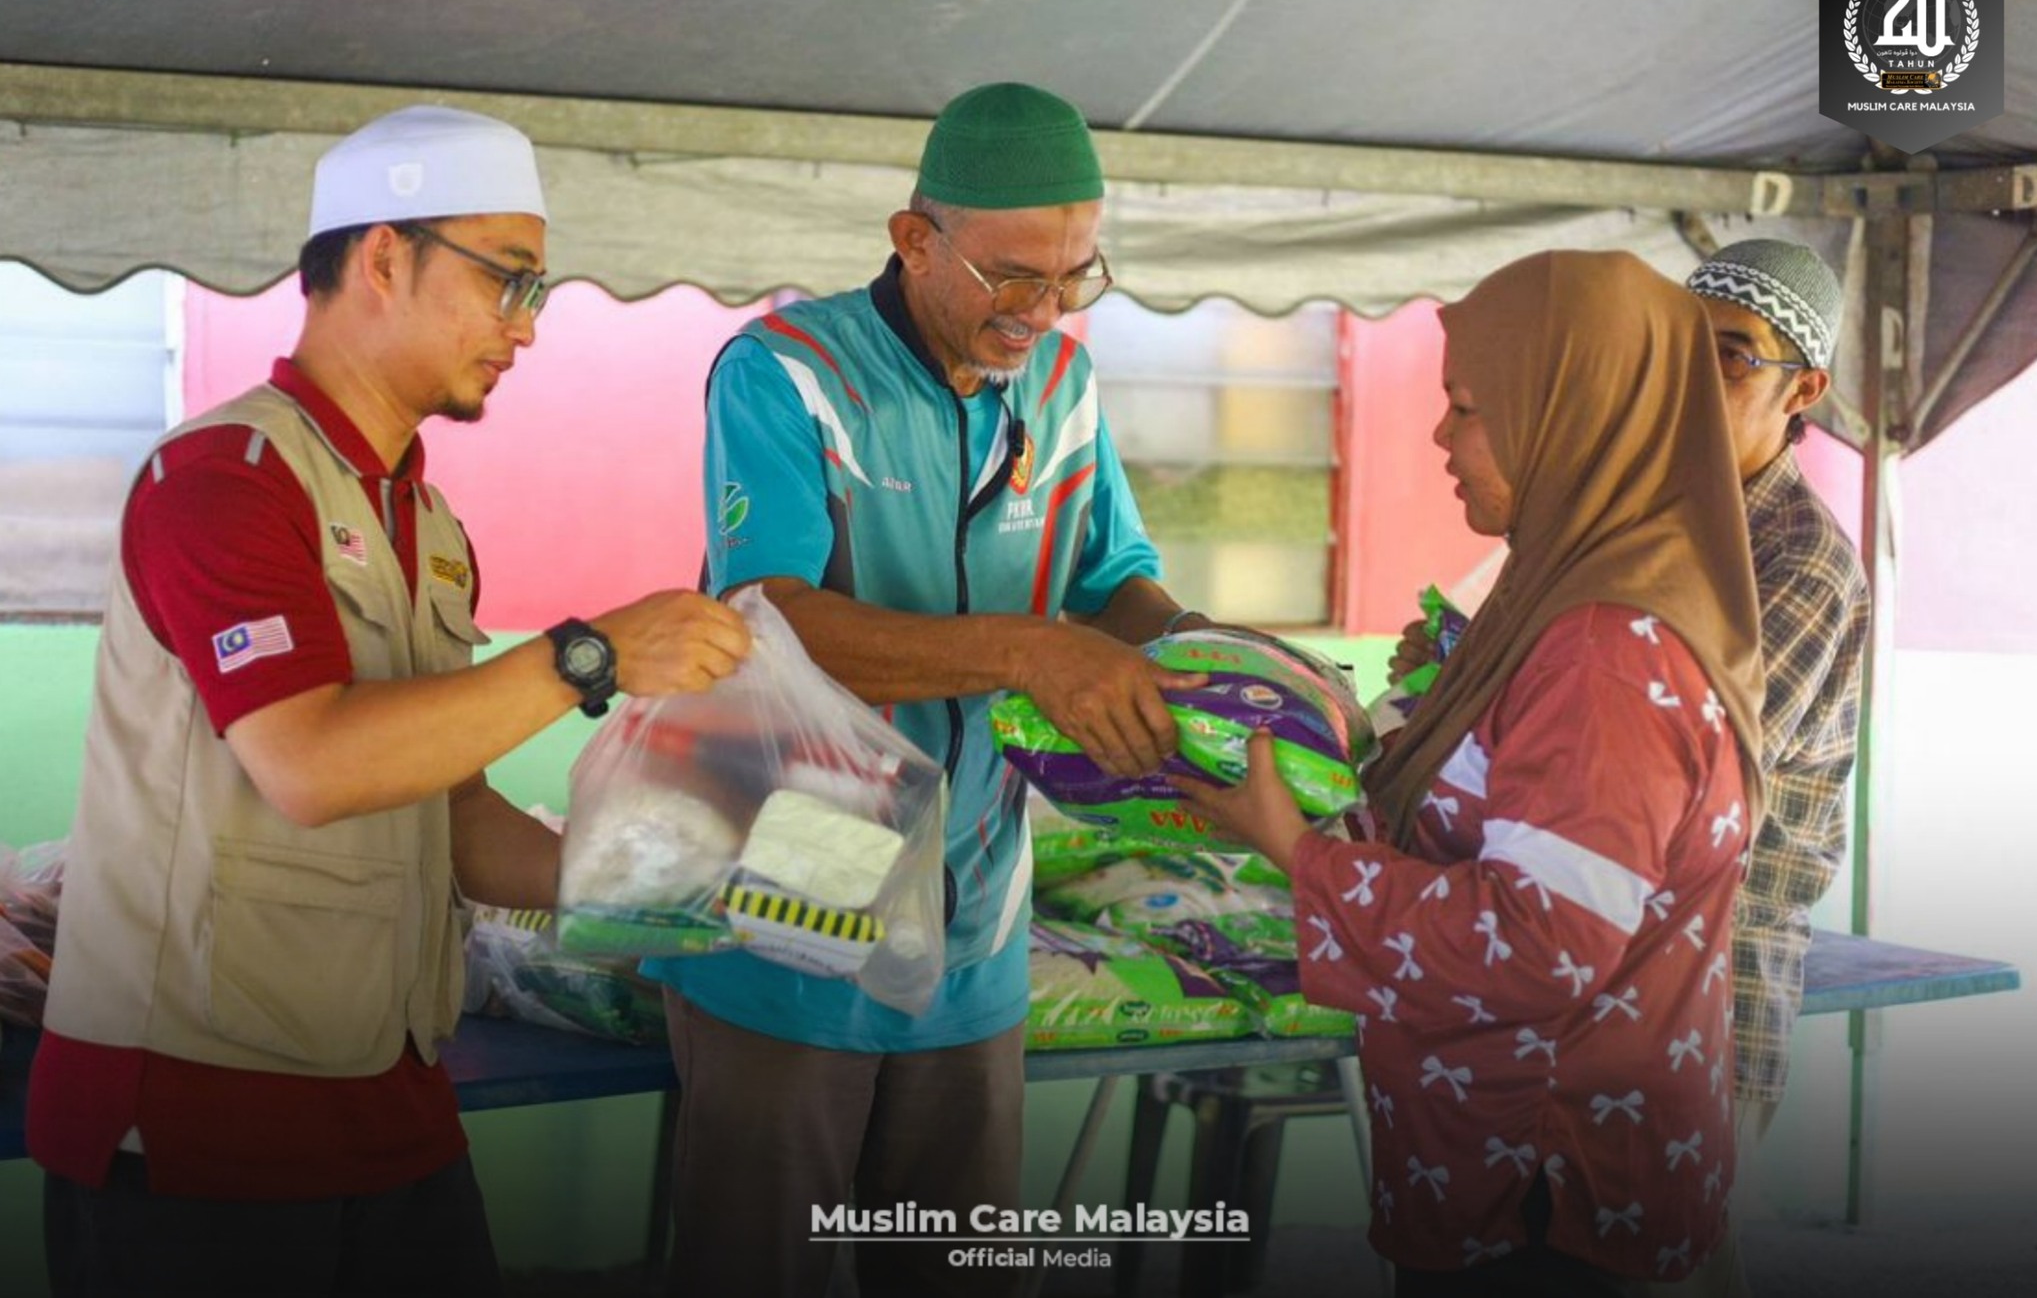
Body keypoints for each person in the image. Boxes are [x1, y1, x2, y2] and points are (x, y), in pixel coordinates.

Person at [29, 104, 751, 1296]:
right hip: (200, 1122)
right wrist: (589, 658)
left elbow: (450, 813)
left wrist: (668, 884)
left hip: (388, 1099)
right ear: (380, 257)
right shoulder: (222, 481)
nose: (526, 326)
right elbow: (313, 765)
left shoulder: (428, 525)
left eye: (535, 289)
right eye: (507, 279)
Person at [642, 82, 1205, 1298]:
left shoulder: (1061, 385)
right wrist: (1024, 651)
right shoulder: (784, 373)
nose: (1043, 313)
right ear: (914, 240)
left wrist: (1218, 658)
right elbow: (768, 617)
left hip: (976, 915)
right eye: (1014, 278)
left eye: (1073, 278)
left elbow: (1115, 580)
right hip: (791, 898)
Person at [1176, 250, 1765, 1293]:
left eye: (1468, 408)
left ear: (1569, 416)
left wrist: (1294, 850)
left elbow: (1538, 943)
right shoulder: (1569, 592)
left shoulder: (1603, 653)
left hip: (1549, 1192)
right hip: (1520, 1158)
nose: (1440, 437)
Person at [1677, 238, 1871, 1294]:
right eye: (1672, 349)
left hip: (1713, 980)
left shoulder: (1799, 558)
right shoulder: (1644, 519)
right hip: (1596, 965)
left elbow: (1694, 770)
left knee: (1667, 1267)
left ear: (1804, 389)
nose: (1688, 379)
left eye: (1729, 355)